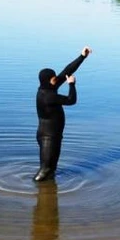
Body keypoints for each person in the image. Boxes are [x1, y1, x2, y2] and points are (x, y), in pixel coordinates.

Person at [34, 46, 92, 182]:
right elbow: (71, 100)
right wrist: (72, 85)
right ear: (48, 80)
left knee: (52, 169)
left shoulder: (48, 87)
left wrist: (82, 56)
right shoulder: (47, 96)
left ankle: (47, 197)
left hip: (53, 135)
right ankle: (30, 193)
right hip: (48, 137)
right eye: (54, 78)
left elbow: (67, 71)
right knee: (45, 170)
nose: (57, 79)